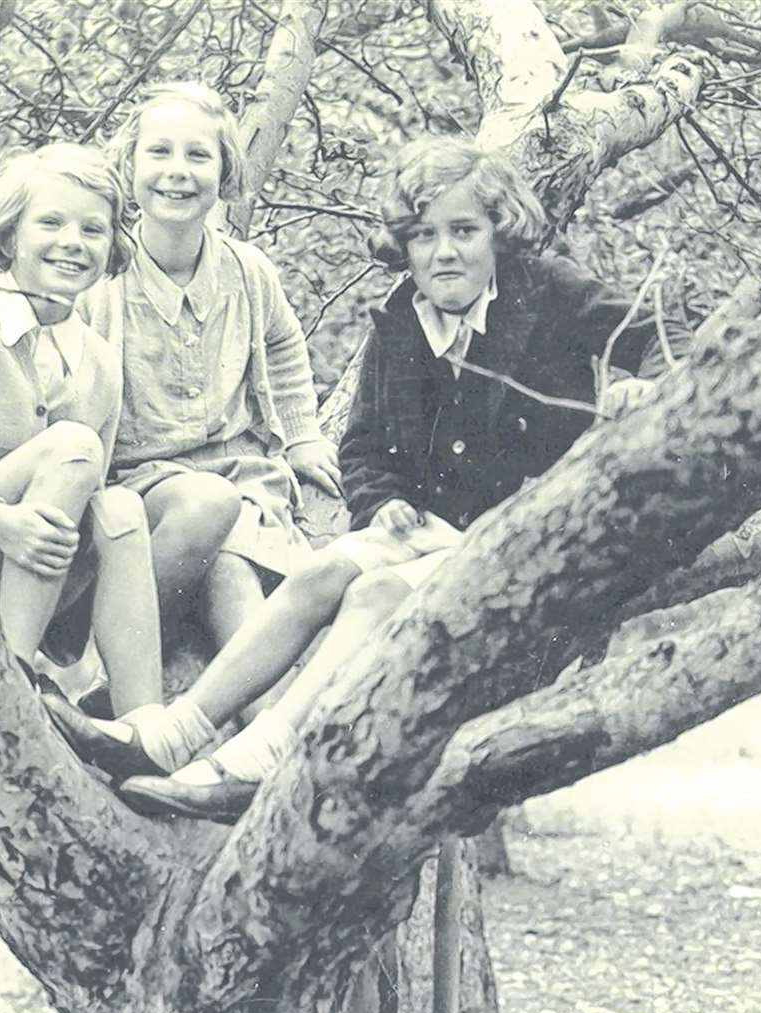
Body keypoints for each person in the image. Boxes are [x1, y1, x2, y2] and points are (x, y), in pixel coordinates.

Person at [72, 135, 673, 820]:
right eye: (423, 236)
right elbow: (362, 448)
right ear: (403, 246)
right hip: (430, 533)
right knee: (321, 573)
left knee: (377, 593)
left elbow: (658, 328)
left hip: (524, 539)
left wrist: (651, 387)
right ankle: (170, 734)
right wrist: (382, 501)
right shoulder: (400, 319)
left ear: (498, 235)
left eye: (463, 232)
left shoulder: (549, 292)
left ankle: (260, 759)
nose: (443, 252)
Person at [76, 82, 341, 660]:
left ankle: (262, 734)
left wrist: (302, 436)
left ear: (225, 172)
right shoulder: (102, 280)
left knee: (230, 572)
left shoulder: (247, 273)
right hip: (139, 483)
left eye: (199, 155)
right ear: (129, 165)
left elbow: (285, 344)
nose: (178, 171)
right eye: (160, 152)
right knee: (205, 513)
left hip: (241, 472)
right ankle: (117, 661)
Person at [0, 142, 163, 720]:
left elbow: (83, 500)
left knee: (121, 504)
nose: (72, 241)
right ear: (10, 233)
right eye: (50, 222)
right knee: (74, 445)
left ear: (113, 247)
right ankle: (10, 676)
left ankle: (143, 723)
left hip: (36, 567)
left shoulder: (99, 361)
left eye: (93, 230)